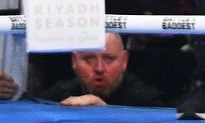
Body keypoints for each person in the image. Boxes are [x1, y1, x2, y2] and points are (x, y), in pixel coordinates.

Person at [34, 33, 167, 107]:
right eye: (89, 58)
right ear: (74, 61)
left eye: (109, 59)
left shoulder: (146, 102)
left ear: (124, 61)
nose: (99, 68)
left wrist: (104, 113)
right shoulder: (59, 95)